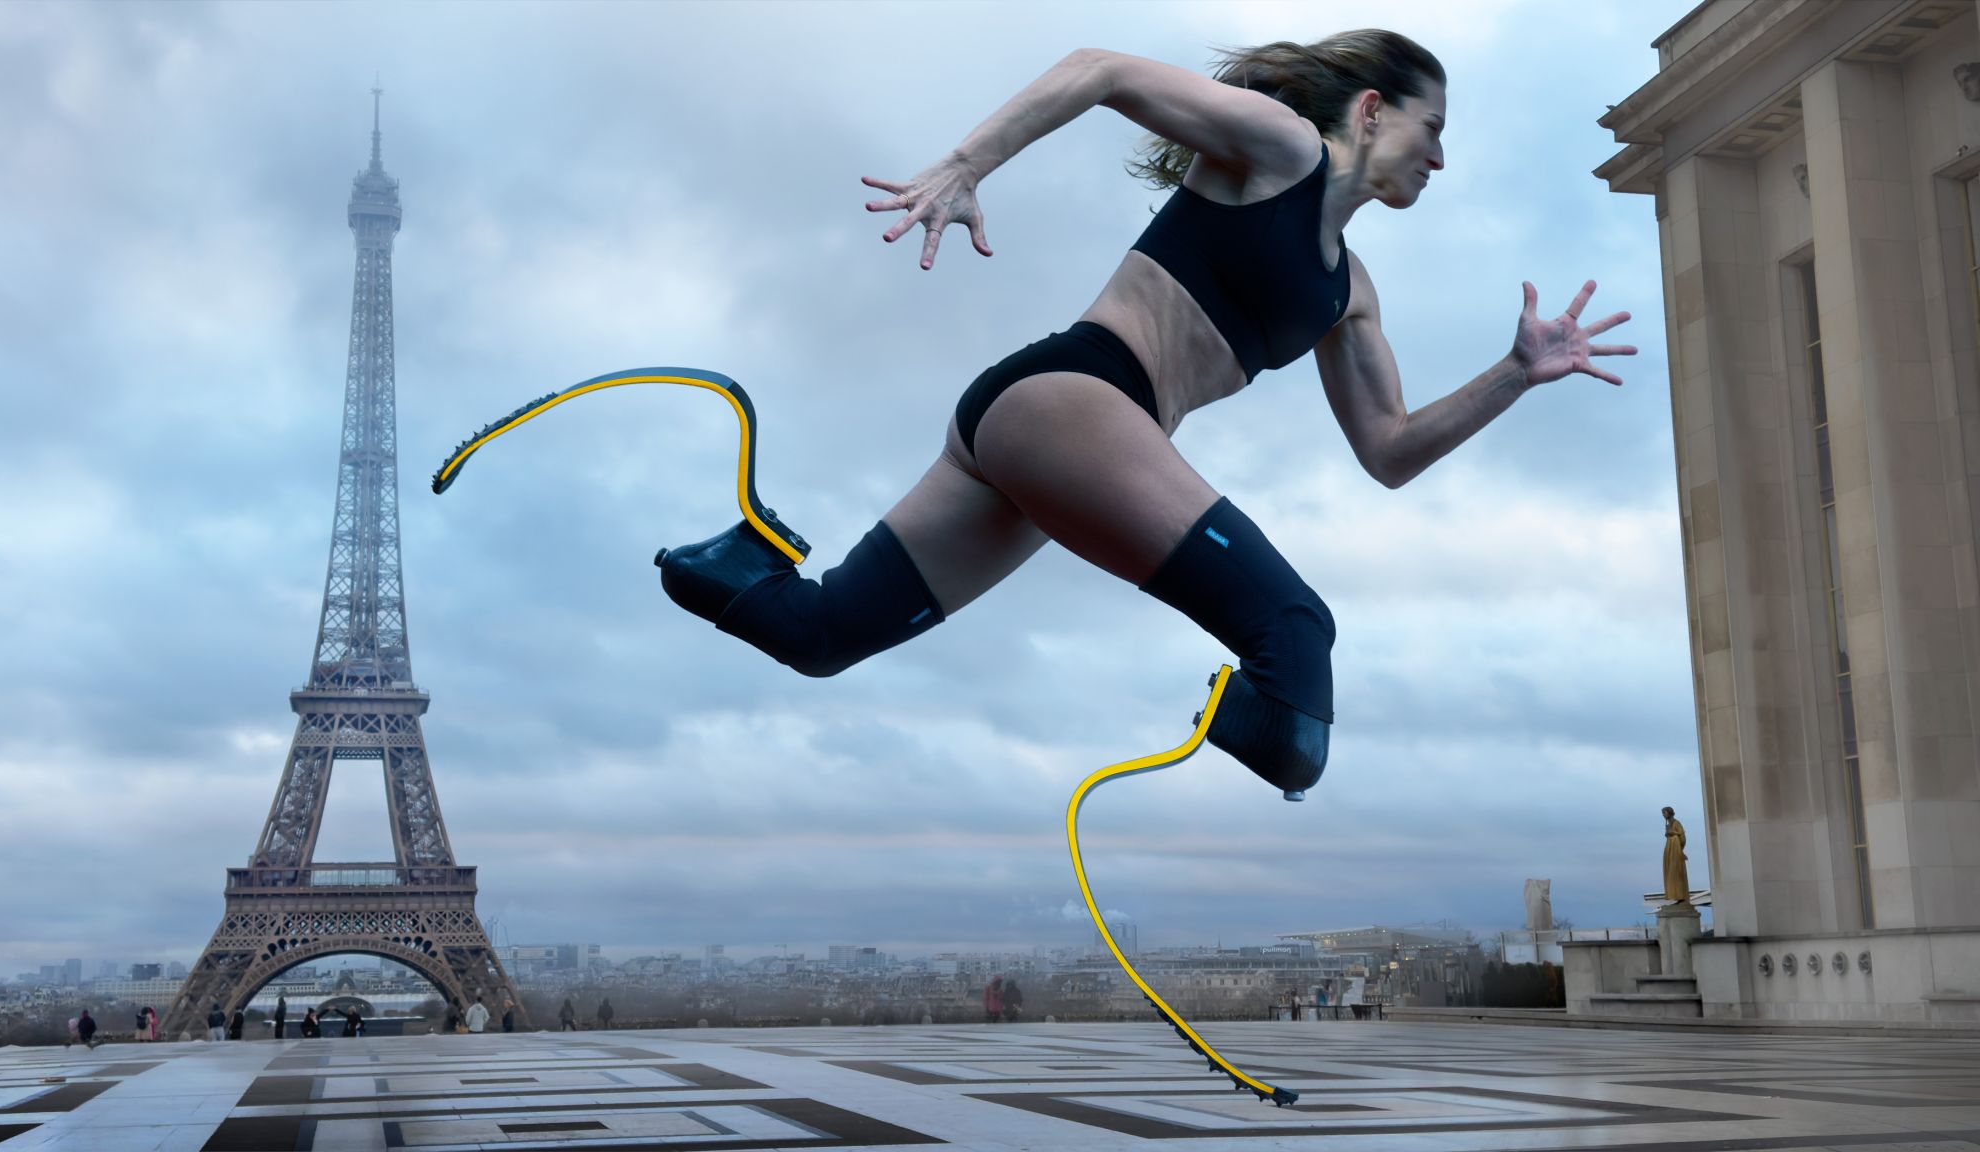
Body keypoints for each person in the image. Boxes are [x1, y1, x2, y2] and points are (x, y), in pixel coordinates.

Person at [650, 35, 1633, 800]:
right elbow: (1102, 70)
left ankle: (729, 560)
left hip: (1045, 432)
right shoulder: (1282, 150)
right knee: (1293, 631)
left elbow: (1388, 451)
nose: (1441, 158)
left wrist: (1514, 373)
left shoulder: (1352, 294)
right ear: (1372, 111)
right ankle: (1241, 727)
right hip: (1079, 396)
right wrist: (964, 166)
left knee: (820, 634)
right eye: (1433, 128)